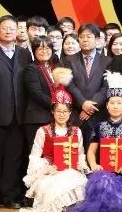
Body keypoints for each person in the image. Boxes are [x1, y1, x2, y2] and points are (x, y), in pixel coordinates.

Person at [0, 15, 34, 209]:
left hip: (19, 116)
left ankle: (10, 196)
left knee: (14, 158)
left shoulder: (24, 54)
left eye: (12, 28)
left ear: (18, 31)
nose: (9, 31)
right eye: (5, 28)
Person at [74, 70, 122, 212]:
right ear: (106, 105)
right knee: (102, 194)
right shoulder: (99, 126)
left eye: (119, 103)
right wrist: (93, 164)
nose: (115, 106)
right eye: (112, 103)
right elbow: (91, 151)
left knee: (120, 203)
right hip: (103, 173)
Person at [21, 83, 89, 212]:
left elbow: (80, 153)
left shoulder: (76, 131)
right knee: (54, 190)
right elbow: (34, 156)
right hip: (51, 172)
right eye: (58, 111)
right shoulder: (43, 131)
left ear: (70, 112)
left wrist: (81, 165)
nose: (62, 114)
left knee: (78, 187)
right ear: (53, 111)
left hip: (72, 172)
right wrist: (46, 168)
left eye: (65, 111)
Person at [66, 23, 110, 137]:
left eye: (89, 36)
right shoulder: (68, 60)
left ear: (97, 39)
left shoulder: (108, 61)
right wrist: (83, 103)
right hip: (76, 115)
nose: (85, 40)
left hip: (98, 115)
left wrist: (91, 107)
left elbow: (106, 87)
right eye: (81, 37)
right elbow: (69, 85)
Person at [22, 36, 58, 160]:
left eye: (47, 48)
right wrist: (57, 106)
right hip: (37, 119)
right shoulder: (31, 68)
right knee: (38, 157)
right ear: (34, 51)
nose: (44, 51)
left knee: (54, 157)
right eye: (40, 48)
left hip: (53, 118)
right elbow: (36, 93)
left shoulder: (55, 68)